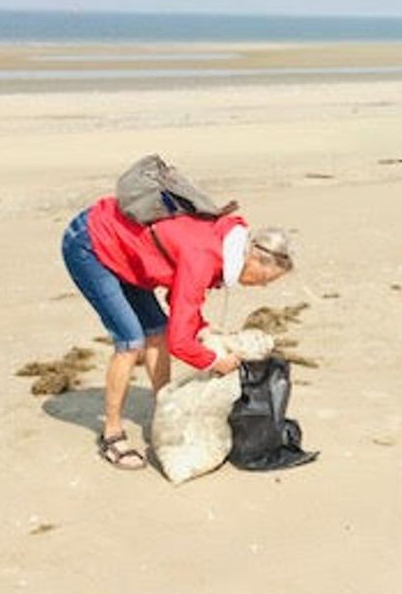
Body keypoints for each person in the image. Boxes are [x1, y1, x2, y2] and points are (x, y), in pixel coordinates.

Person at [61, 194, 293, 469]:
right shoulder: (204, 257)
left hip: (128, 250)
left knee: (156, 330)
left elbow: (179, 299)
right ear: (254, 258)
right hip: (91, 243)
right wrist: (214, 362)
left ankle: (164, 410)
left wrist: (202, 328)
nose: (263, 286)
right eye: (265, 279)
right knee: (130, 341)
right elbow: (179, 341)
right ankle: (112, 435)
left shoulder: (228, 242)